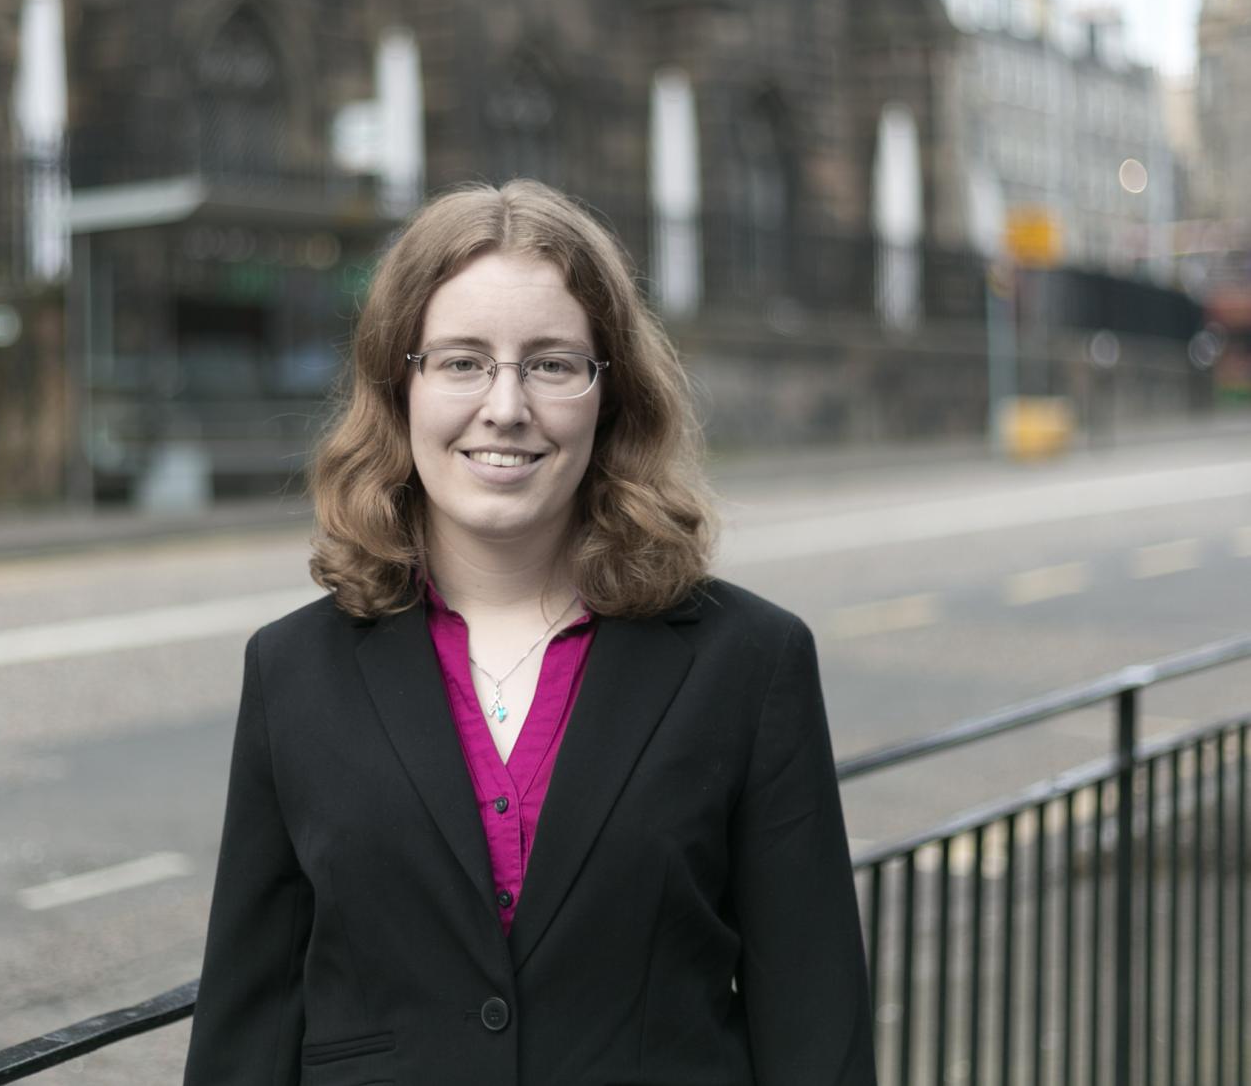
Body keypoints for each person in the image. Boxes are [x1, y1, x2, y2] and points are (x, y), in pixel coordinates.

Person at [182, 180, 875, 1086]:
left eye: (551, 363)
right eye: (463, 361)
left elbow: (815, 1028)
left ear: (609, 395)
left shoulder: (750, 661)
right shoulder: (290, 671)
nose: (506, 406)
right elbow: (247, 1023)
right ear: (402, 385)